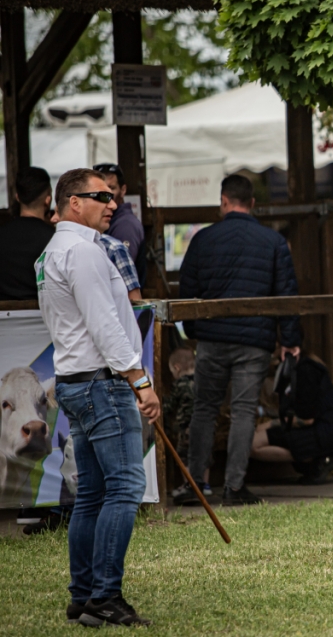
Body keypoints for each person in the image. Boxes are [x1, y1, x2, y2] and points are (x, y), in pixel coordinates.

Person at [37, 168, 160, 626]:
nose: (112, 203)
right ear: (73, 202)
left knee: (91, 493)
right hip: (101, 382)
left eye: (112, 196)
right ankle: (104, 597)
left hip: (78, 381)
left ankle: (84, 595)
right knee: (125, 486)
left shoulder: (54, 251)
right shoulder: (82, 253)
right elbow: (105, 324)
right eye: (100, 196)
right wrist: (141, 382)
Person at [175, 175, 302, 506]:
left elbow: (187, 289)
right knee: (245, 410)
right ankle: (234, 486)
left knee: (204, 408)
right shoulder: (272, 241)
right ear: (253, 204)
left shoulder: (203, 239)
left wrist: (193, 330)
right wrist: (289, 339)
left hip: (212, 338)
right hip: (254, 340)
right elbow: (287, 294)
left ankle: (195, 483)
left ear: (224, 201)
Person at [251, 354, 333, 484]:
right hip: (319, 431)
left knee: (252, 444)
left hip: (321, 433)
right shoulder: (297, 371)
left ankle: (315, 457)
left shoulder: (306, 371)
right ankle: (313, 459)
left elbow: (307, 418)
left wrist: (269, 424)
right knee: (253, 440)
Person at [165, 348, 213, 500]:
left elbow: (170, 405)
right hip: (207, 425)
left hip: (186, 427)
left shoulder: (180, 384)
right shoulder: (204, 380)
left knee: (184, 456)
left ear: (177, 368)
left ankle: (190, 485)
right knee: (205, 453)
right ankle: (205, 485)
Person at [0, 166, 54, 300]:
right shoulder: (54, 239)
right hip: (43, 317)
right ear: (48, 200)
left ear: (17, 197)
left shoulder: (2, 234)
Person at [93, 163, 146, 287]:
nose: (105, 195)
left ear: (123, 191)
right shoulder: (107, 221)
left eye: (111, 188)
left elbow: (119, 278)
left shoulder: (125, 225)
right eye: (100, 190)